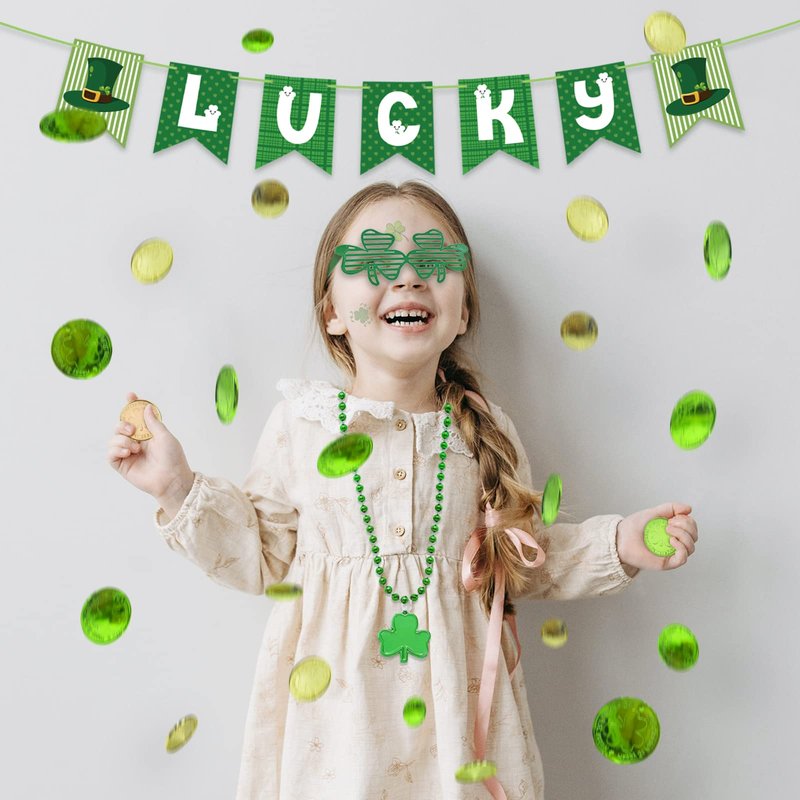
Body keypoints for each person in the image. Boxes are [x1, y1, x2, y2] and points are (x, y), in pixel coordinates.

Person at [107, 180, 699, 800]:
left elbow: (522, 559)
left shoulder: (486, 432)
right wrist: (176, 487)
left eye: (435, 261)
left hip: (461, 726)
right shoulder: (302, 426)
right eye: (372, 261)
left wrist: (619, 544)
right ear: (332, 312)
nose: (409, 277)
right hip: (335, 727)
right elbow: (261, 556)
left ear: (463, 311)